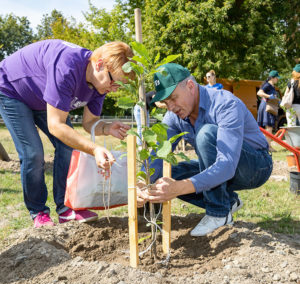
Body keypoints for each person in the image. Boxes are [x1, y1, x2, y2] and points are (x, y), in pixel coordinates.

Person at [0, 39, 135, 228]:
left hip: (42, 96)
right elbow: (56, 126)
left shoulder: (100, 83)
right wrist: (94, 149)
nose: (114, 89)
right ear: (99, 64)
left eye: (119, 86)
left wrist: (106, 127)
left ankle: (65, 209)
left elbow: (89, 123)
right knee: (33, 153)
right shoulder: (67, 67)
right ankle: (38, 211)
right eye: (114, 82)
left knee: (67, 147)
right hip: (12, 90)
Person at [137, 63, 272, 236]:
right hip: (224, 168)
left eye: (173, 98)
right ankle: (228, 202)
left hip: (255, 166)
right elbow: (157, 152)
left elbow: (227, 164)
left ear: (190, 86)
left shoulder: (225, 103)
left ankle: (219, 212)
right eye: (165, 102)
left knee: (206, 133)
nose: (170, 107)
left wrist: (179, 188)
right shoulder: (174, 116)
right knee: (167, 177)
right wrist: (142, 182)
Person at [256, 70, 280, 151]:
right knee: (268, 127)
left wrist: (277, 100)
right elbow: (259, 93)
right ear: (272, 78)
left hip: (268, 106)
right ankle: (268, 147)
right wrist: (269, 96)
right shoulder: (267, 85)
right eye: (277, 78)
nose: (278, 79)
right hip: (266, 106)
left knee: (268, 127)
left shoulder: (272, 86)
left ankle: (265, 145)